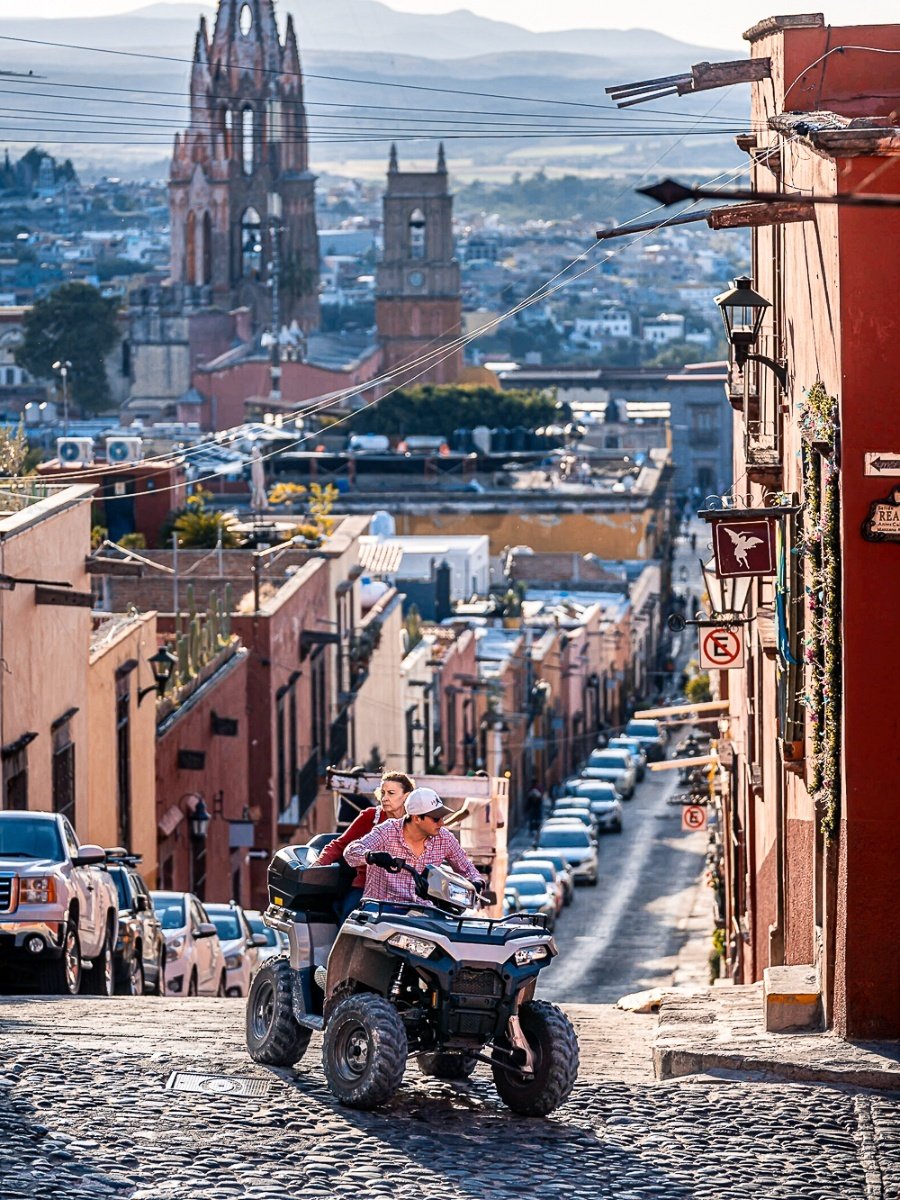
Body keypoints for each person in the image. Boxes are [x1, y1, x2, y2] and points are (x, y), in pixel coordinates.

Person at [344, 787, 484, 908]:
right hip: (382, 910)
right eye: (436, 818)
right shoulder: (387, 830)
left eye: (442, 817)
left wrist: (477, 882)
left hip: (424, 912)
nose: (442, 823)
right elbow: (351, 851)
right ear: (416, 818)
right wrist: (371, 856)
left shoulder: (444, 837)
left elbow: (467, 868)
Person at [318, 771, 415, 920]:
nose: (385, 798)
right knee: (350, 917)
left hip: (406, 891)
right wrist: (318, 864)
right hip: (365, 887)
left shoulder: (417, 821)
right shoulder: (371, 816)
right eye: (382, 793)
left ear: (406, 796)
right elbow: (340, 845)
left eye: (391, 793)